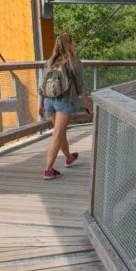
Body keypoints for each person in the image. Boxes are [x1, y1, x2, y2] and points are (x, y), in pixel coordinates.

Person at [38, 34, 92, 180]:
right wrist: (89, 107)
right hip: (64, 101)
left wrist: (41, 104)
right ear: (69, 44)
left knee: (60, 132)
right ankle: (48, 170)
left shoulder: (50, 61)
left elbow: (42, 85)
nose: (74, 44)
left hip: (49, 100)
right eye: (73, 42)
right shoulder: (74, 62)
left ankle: (69, 157)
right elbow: (82, 88)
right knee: (57, 134)